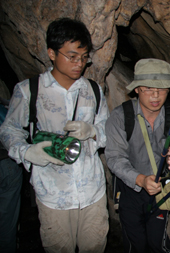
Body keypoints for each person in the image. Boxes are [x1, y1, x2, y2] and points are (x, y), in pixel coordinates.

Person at [0, 18, 109, 252]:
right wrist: (26, 151)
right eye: (71, 56)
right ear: (52, 53)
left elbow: (107, 130)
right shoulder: (29, 91)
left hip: (93, 192)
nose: (79, 63)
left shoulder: (93, 91)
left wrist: (93, 132)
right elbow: (8, 130)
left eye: (84, 57)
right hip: (53, 194)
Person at [105, 58, 170, 252]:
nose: (156, 95)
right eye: (148, 88)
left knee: (158, 243)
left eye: (162, 88)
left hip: (162, 189)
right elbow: (115, 158)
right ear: (137, 89)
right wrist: (140, 179)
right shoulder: (120, 116)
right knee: (135, 245)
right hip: (131, 189)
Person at [0, 97, 23, 253]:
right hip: (5, 162)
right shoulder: (2, 109)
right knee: (7, 218)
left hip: (5, 164)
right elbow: (9, 125)